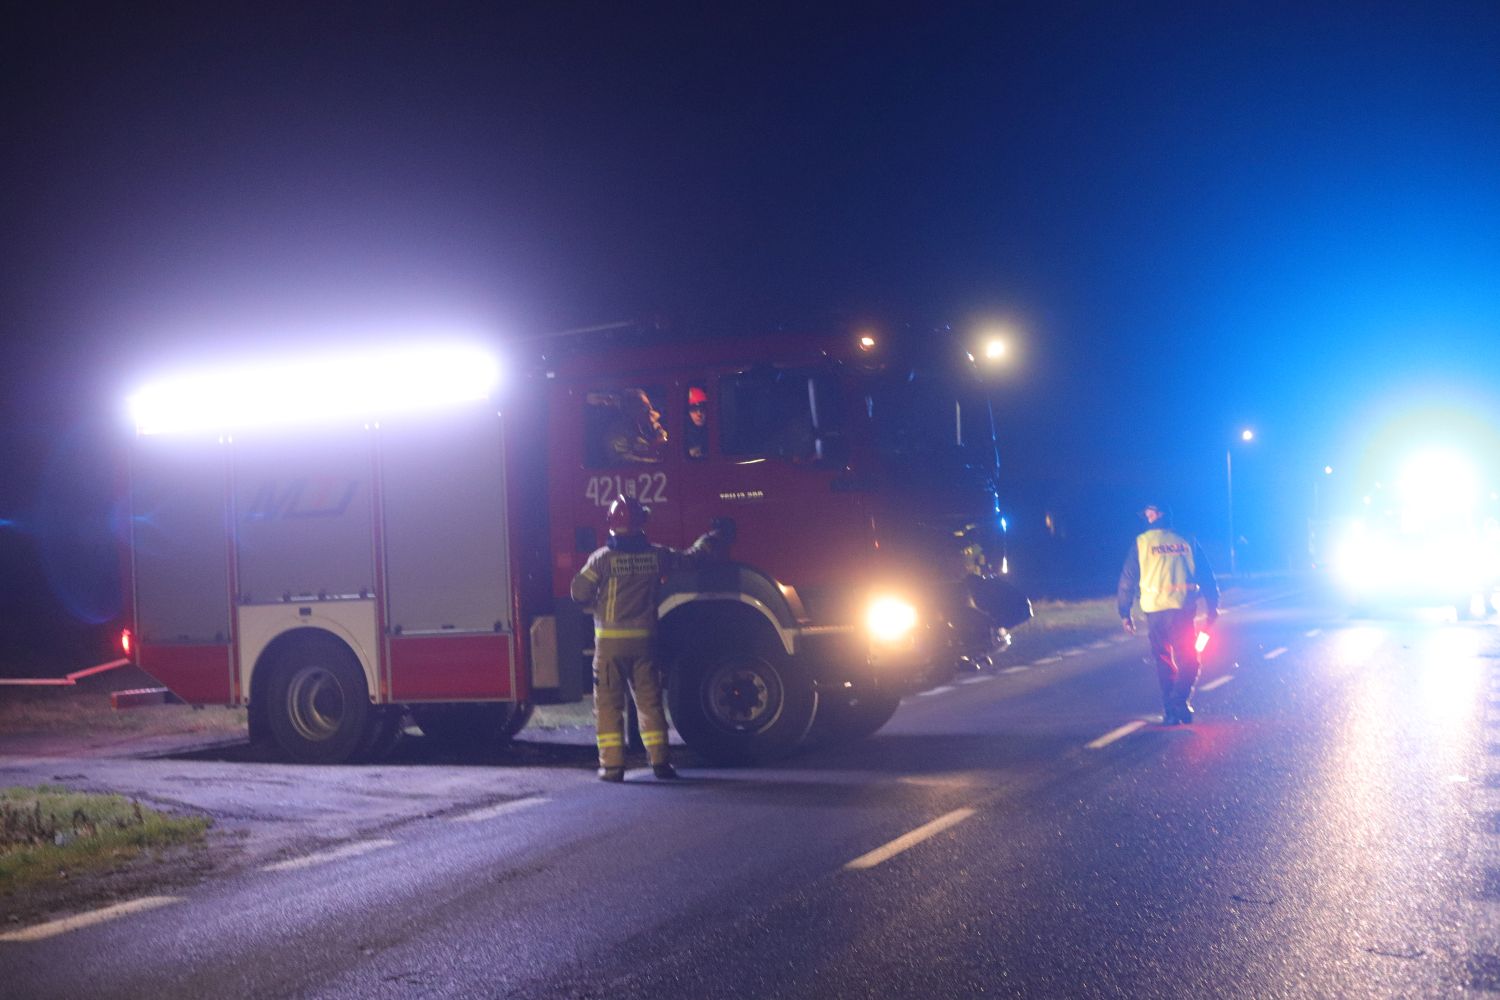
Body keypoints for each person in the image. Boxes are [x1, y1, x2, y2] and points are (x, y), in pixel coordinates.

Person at [570, 495, 734, 781]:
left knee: (609, 706)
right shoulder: (656, 555)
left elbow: (578, 593)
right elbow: (691, 559)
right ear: (641, 522)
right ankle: (660, 762)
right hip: (645, 644)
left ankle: (612, 767)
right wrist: (711, 539)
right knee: (650, 702)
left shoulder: (602, 559)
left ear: (611, 523)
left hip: (609, 647)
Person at [1117, 501, 1219, 725]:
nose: (1147, 517)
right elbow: (1206, 575)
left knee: (1165, 661)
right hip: (1180, 611)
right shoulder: (1186, 540)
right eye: (1146, 513)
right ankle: (1176, 703)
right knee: (1189, 661)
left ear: (1160, 514)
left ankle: (1171, 708)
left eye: (1150, 513)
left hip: (1155, 613)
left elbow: (1127, 580)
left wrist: (1125, 612)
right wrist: (1213, 606)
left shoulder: (1141, 543)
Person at [603, 388, 668, 464]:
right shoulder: (617, 431)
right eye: (643, 406)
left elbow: (664, 440)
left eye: (649, 405)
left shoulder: (648, 424)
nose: (650, 409)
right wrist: (656, 463)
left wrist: (655, 425)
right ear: (629, 410)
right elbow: (621, 459)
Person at [684, 385, 709, 460]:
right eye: (693, 409)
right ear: (687, 412)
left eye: (702, 408)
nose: (699, 413)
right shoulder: (682, 435)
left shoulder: (713, 432)